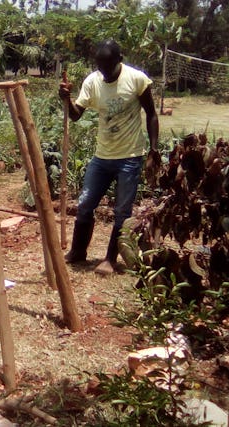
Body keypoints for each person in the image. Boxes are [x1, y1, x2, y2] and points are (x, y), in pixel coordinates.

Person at [58, 39, 159, 275]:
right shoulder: (92, 82)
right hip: (102, 156)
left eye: (107, 66)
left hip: (130, 157)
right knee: (84, 205)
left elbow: (152, 114)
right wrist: (66, 99)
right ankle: (78, 252)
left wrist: (154, 149)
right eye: (99, 66)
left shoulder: (136, 79)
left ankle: (110, 259)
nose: (103, 71)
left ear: (118, 61)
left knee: (122, 212)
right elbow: (75, 116)